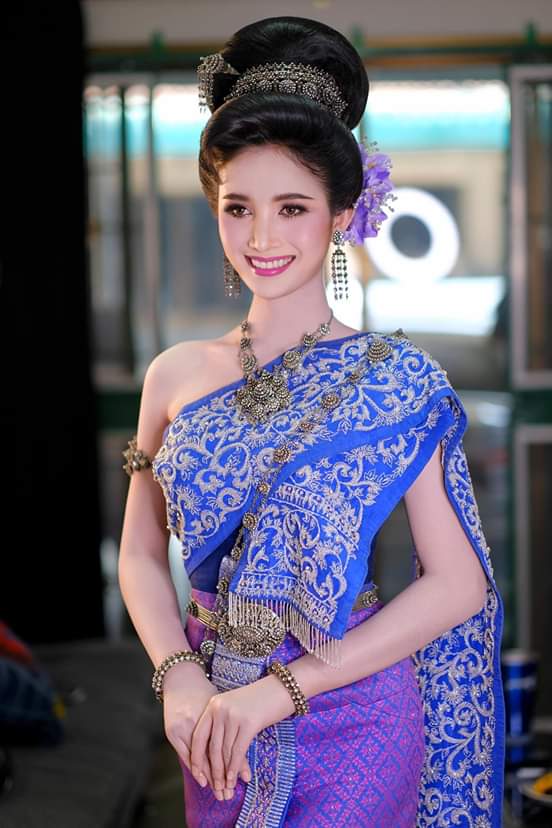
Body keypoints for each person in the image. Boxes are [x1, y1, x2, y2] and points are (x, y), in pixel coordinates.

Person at [118, 15, 505, 827]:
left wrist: (281, 690)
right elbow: (143, 554)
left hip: (355, 705)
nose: (261, 237)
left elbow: (458, 583)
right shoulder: (175, 376)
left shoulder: (397, 379)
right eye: (238, 208)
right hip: (212, 718)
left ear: (341, 215)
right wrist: (178, 675)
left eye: (292, 207)